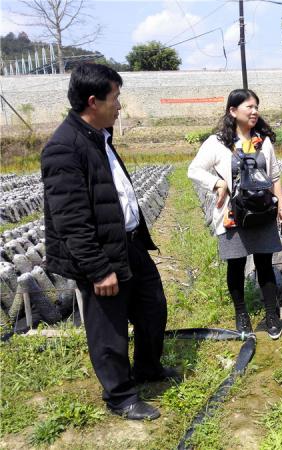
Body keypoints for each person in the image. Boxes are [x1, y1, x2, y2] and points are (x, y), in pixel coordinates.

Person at [41, 63, 178, 421]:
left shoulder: (99, 135)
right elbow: (70, 220)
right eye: (115, 98)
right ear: (93, 101)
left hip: (128, 243)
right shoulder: (63, 147)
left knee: (153, 308)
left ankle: (148, 368)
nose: (120, 105)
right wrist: (99, 270)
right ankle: (120, 396)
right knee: (109, 329)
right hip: (100, 254)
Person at [188, 89, 282, 340]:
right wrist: (217, 184)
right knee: (236, 265)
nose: (254, 112)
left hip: (263, 212)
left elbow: (274, 176)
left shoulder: (263, 141)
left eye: (256, 107)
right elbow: (194, 170)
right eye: (249, 107)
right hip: (232, 215)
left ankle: (270, 315)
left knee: (265, 264)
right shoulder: (218, 143)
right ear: (233, 111)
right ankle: (241, 314)